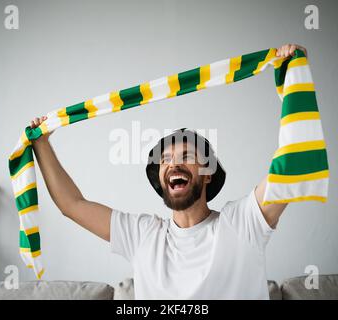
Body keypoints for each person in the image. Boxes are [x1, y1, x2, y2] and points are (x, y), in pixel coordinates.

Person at [30, 44, 308, 299]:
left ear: (208, 172)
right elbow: (71, 204)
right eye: (165, 160)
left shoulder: (242, 224)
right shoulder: (143, 234)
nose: (173, 164)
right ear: (161, 179)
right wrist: (41, 143)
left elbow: (292, 165)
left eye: (186, 156)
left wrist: (294, 82)